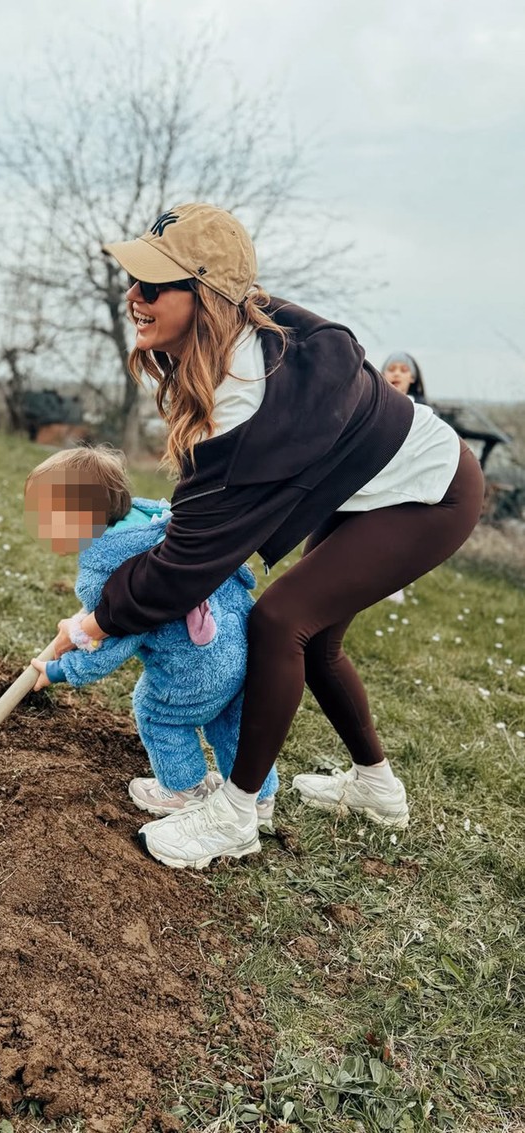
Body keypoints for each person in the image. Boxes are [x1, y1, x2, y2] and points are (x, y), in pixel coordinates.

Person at [46, 202, 483, 871]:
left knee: (281, 622)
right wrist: (100, 617)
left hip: (433, 490)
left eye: (154, 285)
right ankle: (377, 787)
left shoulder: (242, 399)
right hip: (367, 477)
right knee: (320, 637)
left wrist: (96, 623)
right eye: (132, 280)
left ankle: (236, 812)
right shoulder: (236, 333)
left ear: (209, 298)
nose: (132, 296)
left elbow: (183, 566)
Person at [25, 445, 279, 824]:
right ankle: (256, 796)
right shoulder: (153, 519)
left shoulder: (107, 566)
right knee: (229, 718)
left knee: (158, 712)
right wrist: (81, 627)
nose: (37, 528)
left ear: (81, 517)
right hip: (240, 643)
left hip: (194, 665)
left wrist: (60, 670)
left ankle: (182, 789)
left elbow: (115, 638)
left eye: (45, 519)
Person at [380, 353, 428, 603]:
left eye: (403, 369)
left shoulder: (422, 412)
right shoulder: (376, 404)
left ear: (413, 377)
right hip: (376, 476)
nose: (396, 374)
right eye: (391, 368)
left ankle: (392, 585)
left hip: (405, 481)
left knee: (396, 536)